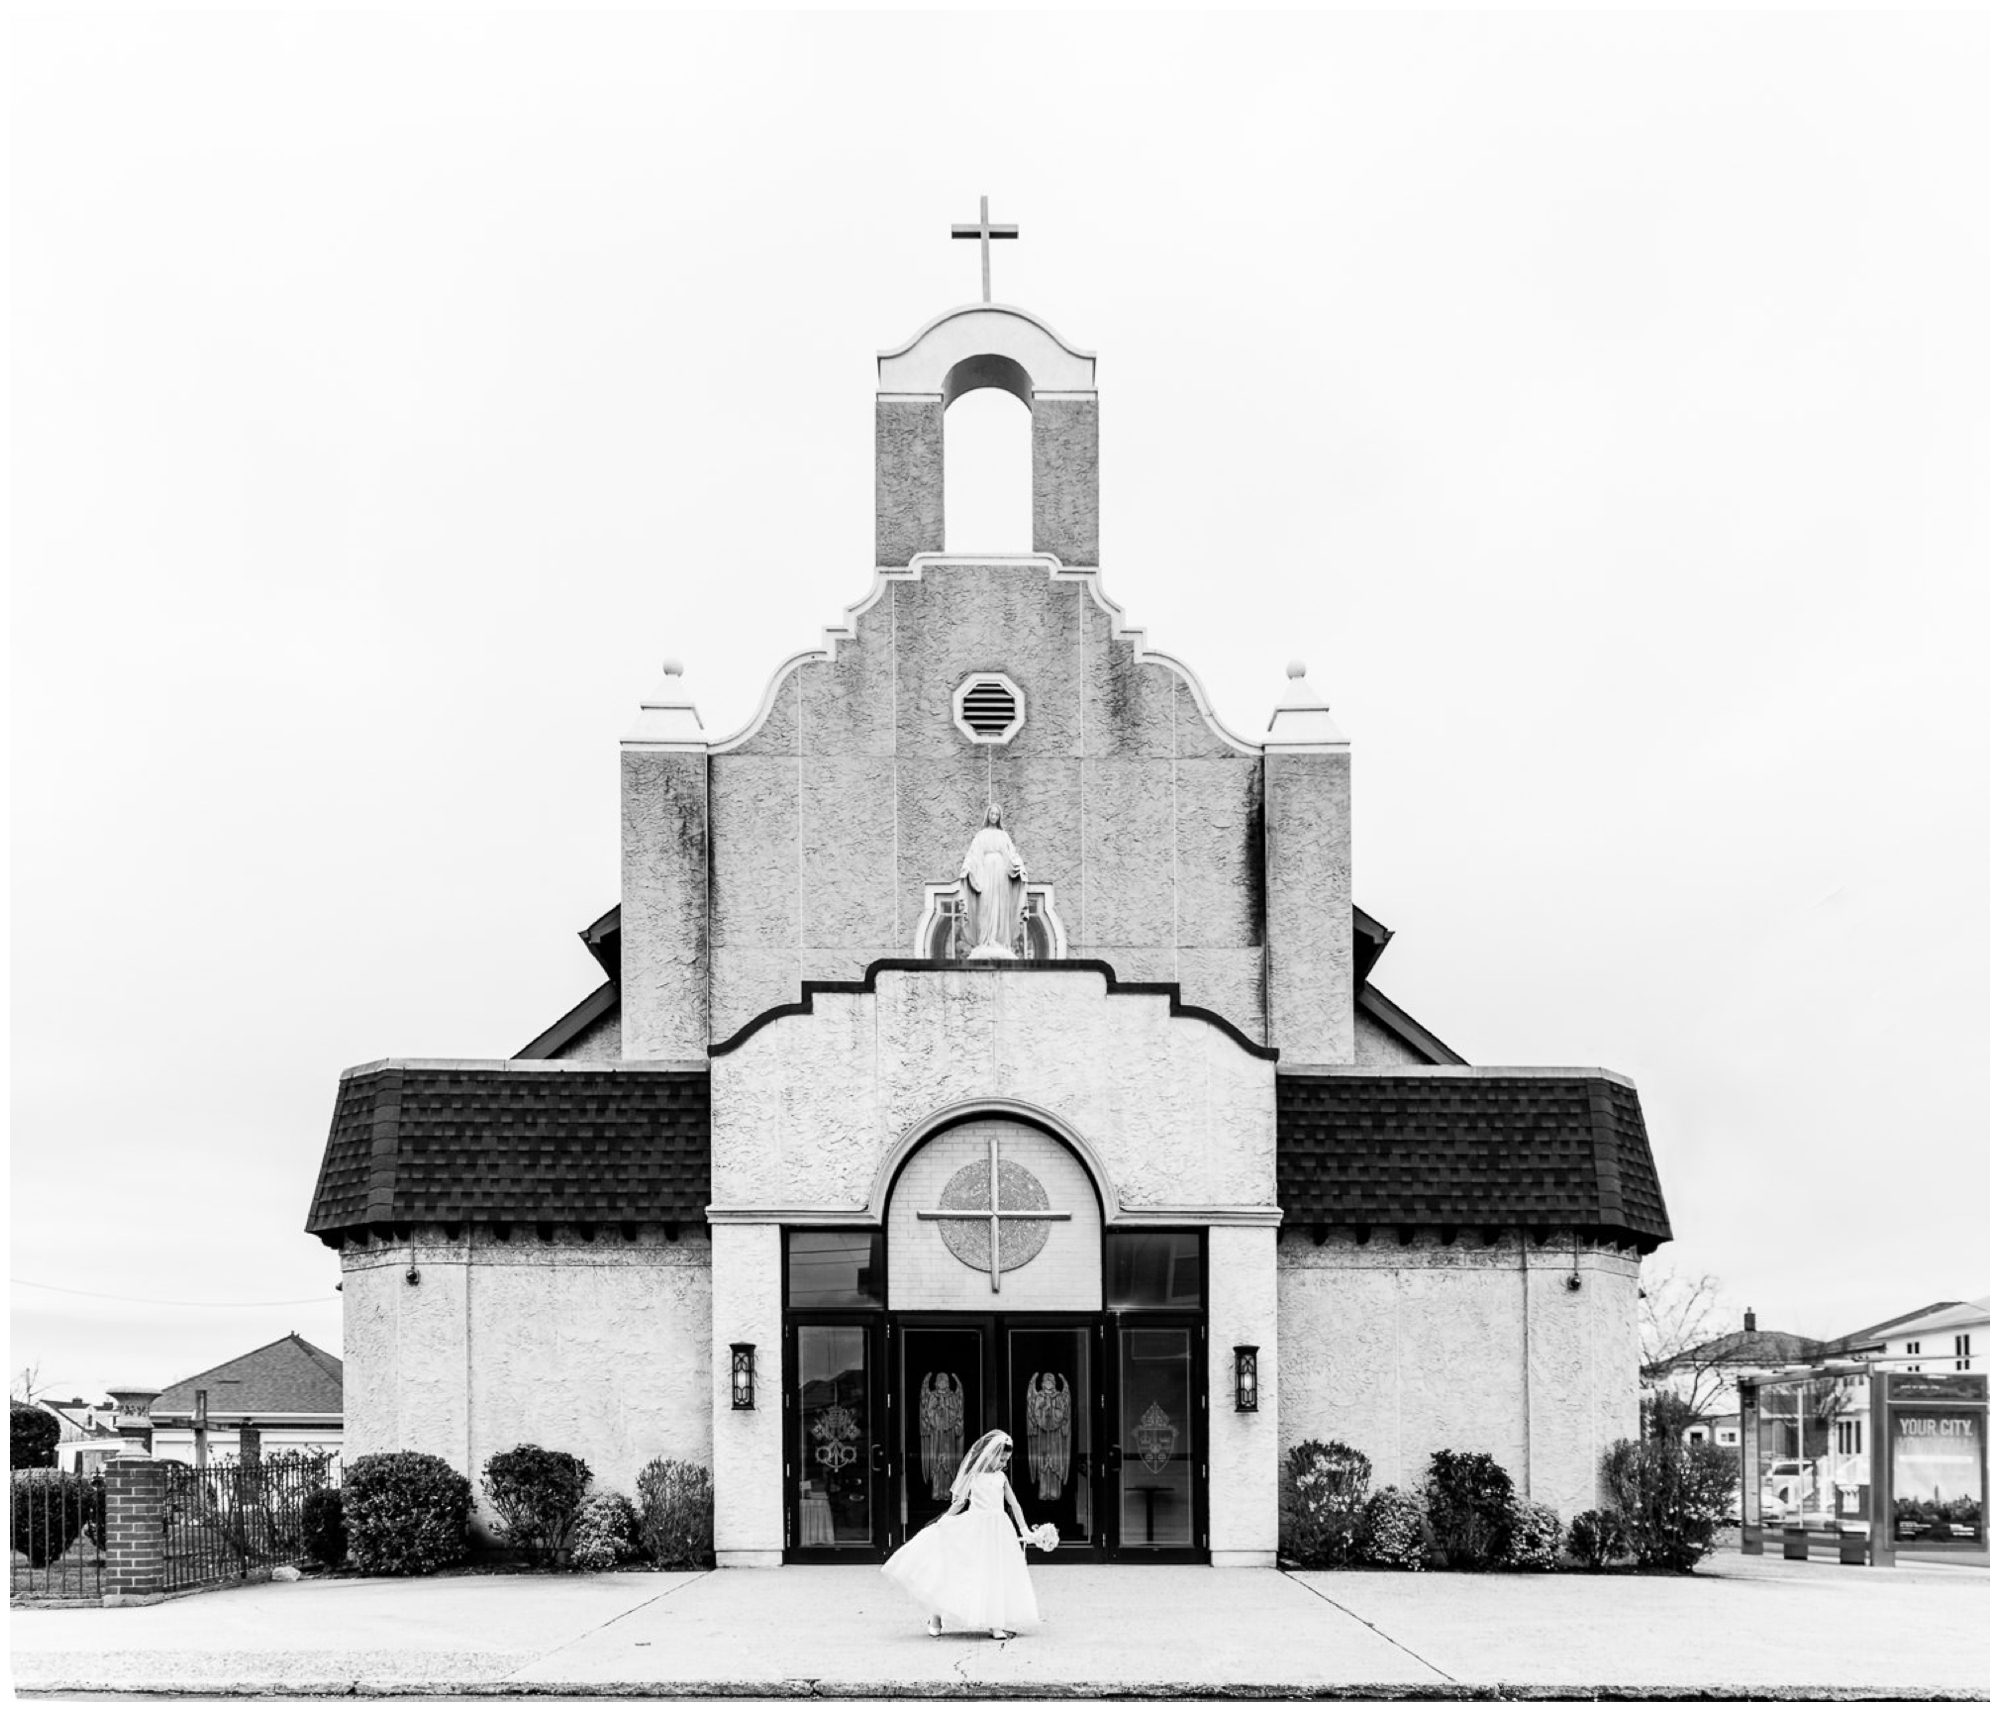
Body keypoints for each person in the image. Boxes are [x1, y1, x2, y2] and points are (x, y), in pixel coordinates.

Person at [881, 1428, 1040, 1639]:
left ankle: (995, 1622)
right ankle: (936, 1616)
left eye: (1006, 1460)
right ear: (990, 1455)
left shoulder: (1001, 1478)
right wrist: (944, 1521)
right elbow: (960, 1503)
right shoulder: (972, 1476)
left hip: (998, 1529)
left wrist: (1024, 1530)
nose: (1004, 1464)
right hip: (975, 1526)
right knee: (957, 1568)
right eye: (1001, 1459)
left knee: (994, 1573)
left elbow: (1014, 1505)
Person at [958, 806, 1027, 958]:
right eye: (992, 813)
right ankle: (985, 940)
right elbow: (973, 854)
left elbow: (1011, 855)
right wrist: (967, 868)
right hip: (984, 872)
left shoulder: (1003, 836)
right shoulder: (981, 836)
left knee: (1000, 905)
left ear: (999, 817)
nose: (994, 816)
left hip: (1001, 874)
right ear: (988, 815)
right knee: (985, 904)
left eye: (997, 814)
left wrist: (1020, 867)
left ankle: (999, 940)